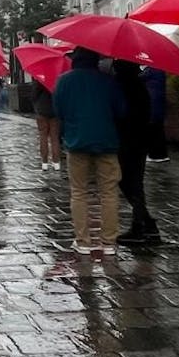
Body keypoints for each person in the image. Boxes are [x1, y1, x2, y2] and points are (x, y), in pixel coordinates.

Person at [52, 48, 125, 256]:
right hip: (107, 141)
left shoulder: (64, 81)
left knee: (79, 192)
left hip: (76, 142)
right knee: (109, 192)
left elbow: (59, 111)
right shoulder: (108, 80)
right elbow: (121, 110)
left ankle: (83, 241)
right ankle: (109, 242)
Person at [112, 59, 160, 245]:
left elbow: (120, 111)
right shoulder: (139, 85)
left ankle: (142, 224)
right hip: (140, 139)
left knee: (128, 181)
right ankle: (144, 222)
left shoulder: (123, 86)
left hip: (127, 139)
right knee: (133, 181)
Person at [30, 77, 62, 172]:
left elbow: (33, 96)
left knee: (43, 136)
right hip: (55, 110)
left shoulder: (40, 78)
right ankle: (56, 163)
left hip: (42, 110)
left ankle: (44, 163)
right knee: (55, 138)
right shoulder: (58, 79)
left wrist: (36, 105)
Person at [144, 66, 170, 163]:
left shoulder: (151, 70)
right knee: (158, 129)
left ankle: (155, 155)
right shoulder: (160, 70)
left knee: (153, 130)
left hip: (152, 104)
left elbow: (141, 77)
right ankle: (162, 154)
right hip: (158, 103)